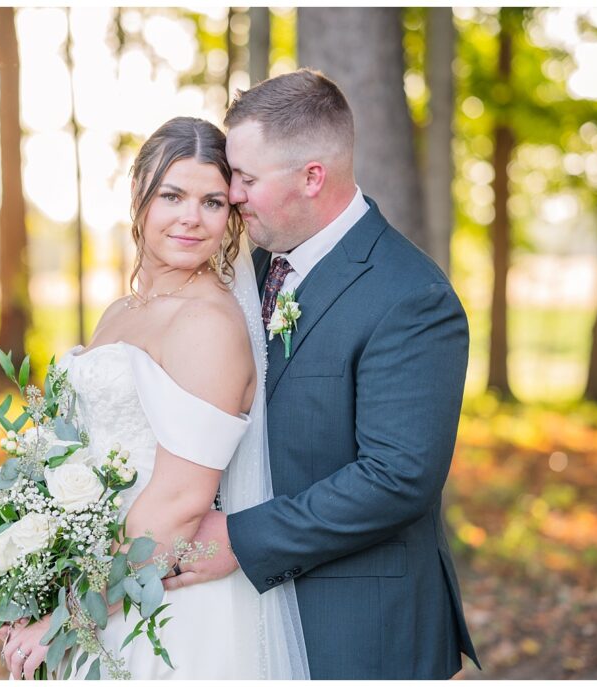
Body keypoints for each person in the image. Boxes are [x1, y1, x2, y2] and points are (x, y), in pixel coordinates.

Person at [162, 68, 481, 679]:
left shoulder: (410, 296)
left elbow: (398, 477)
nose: (233, 195)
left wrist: (242, 538)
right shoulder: (248, 270)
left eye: (247, 179)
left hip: (359, 624)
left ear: (313, 177)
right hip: (240, 623)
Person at [0, 117, 309, 679]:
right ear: (139, 196)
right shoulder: (124, 310)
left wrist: (73, 615)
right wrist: (33, 573)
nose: (191, 217)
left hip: (159, 601)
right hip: (93, 574)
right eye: (173, 195)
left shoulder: (208, 323)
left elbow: (182, 501)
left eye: (213, 202)